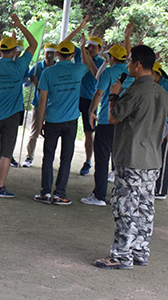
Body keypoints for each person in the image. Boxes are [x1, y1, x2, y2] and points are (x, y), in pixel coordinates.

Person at [93, 45, 168, 269]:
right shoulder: (162, 92)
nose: (127, 66)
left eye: (129, 62)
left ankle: (120, 255)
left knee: (125, 207)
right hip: (153, 159)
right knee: (145, 207)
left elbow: (114, 117)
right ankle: (140, 251)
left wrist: (114, 95)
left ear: (137, 65)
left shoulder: (135, 91)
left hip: (132, 158)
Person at [0, 14, 37, 198]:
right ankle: (0, 187)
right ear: (13, 51)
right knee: (5, 153)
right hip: (12, 116)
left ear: (0, 51)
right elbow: (33, 44)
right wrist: (19, 25)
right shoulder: (19, 66)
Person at [33, 40, 88, 205]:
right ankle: (60, 193)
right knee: (66, 158)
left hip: (52, 120)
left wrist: (40, 121)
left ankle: (45, 192)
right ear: (72, 55)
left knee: (48, 157)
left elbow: (42, 100)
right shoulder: (79, 69)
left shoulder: (48, 73)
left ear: (57, 54)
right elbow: (86, 62)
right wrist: (82, 48)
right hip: (71, 121)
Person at [82, 44, 131, 207]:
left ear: (111, 58)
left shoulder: (109, 72)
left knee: (102, 159)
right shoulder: (133, 73)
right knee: (122, 161)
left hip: (107, 120)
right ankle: (120, 196)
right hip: (127, 123)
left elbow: (99, 93)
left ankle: (99, 195)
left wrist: (91, 111)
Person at [22, 42, 57, 167]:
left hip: (53, 105)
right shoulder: (38, 66)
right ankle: (29, 157)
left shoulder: (57, 68)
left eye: (53, 53)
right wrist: (32, 80)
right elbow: (25, 82)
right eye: (48, 53)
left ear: (57, 54)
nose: (50, 55)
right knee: (34, 131)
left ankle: (48, 159)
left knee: (51, 133)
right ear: (44, 53)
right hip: (38, 103)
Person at [79, 35, 105, 175]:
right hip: (75, 98)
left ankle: (88, 161)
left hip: (90, 100)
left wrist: (87, 55)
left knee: (89, 132)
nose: (90, 49)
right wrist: (83, 49)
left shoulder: (101, 63)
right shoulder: (80, 55)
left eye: (93, 47)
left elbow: (96, 74)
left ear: (100, 49)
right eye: (88, 46)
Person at [153, 62, 168, 199]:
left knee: (164, 157)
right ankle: (155, 186)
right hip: (159, 125)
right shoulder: (155, 85)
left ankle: (161, 190)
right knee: (157, 157)